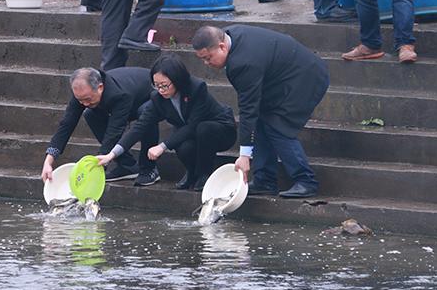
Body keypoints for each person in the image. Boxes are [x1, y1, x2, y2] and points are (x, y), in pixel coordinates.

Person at [192, 25, 329, 199]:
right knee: (261, 122)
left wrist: (244, 156)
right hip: (280, 77)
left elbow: (248, 109)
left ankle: (306, 181)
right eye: (202, 59)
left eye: (209, 58)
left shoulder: (242, 63)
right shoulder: (229, 35)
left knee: (279, 127)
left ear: (222, 46)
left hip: (306, 77)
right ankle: (265, 180)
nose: (207, 64)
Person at [97, 54, 237, 191]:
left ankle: (203, 175)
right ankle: (192, 173)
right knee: (183, 146)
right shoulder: (158, 98)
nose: (161, 90)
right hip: (191, 133)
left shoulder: (197, 88)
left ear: (177, 80)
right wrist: (112, 154)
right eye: (156, 85)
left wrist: (162, 146)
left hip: (220, 129)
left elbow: (193, 125)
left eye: (164, 85)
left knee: (202, 128)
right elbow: (140, 127)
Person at [40, 67, 159, 186]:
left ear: (100, 87)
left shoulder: (119, 94)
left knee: (146, 114)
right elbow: (66, 124)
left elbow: (115, 130)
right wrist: (48, 161)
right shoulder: (82, 93)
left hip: (148, 97)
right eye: (80, 100)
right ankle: (128, 165)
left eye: (88, 99)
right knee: (90, 114)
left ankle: (149, 168)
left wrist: (99, 164)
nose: (85, 104)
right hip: (122, 103)